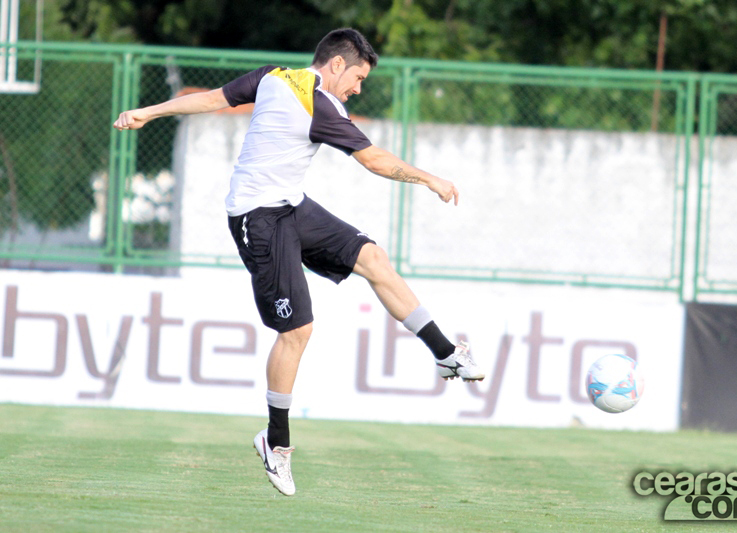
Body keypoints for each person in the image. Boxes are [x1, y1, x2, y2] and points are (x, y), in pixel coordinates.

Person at [113, 28, 485, 497]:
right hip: (258, 219)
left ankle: (446, 355)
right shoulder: (318, 105)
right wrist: (430, 178)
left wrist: (149, 111)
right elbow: (374, 160)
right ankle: (277, 443)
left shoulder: (276, 77)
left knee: (372, 257)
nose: (358, 87)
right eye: (358, 77)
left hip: (290, 205)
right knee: (297, 332)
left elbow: (213, 100)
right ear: (335, 64)